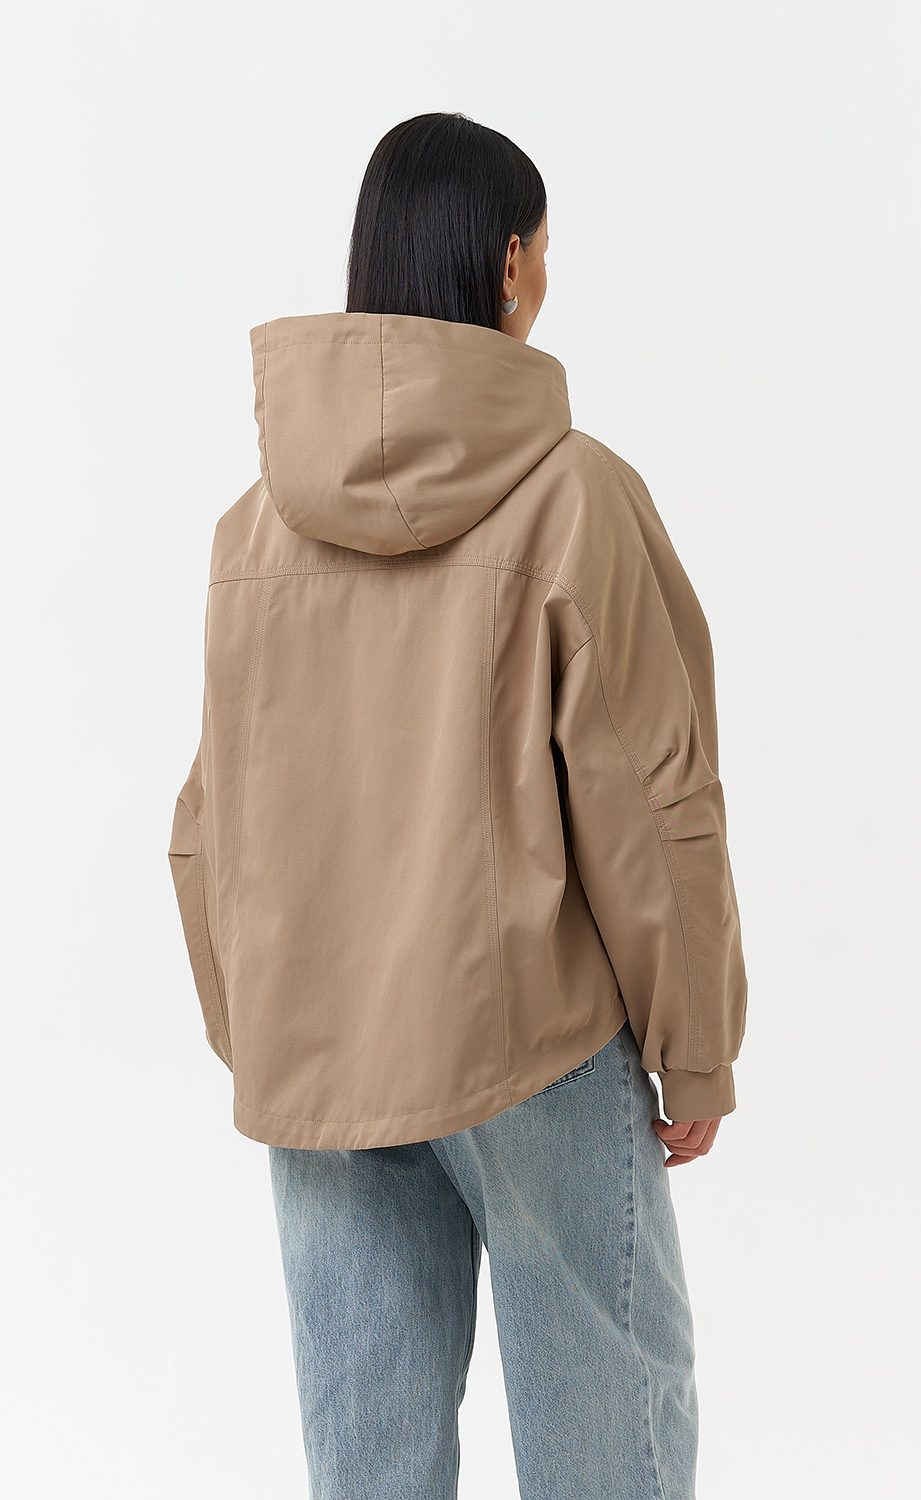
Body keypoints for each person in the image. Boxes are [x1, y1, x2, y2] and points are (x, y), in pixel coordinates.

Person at [168, 111, 747, 1500]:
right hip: (530, 1040)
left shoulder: (255, 526)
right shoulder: (574, 496)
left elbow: (209, 818)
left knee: (367, 1458)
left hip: (318, 1044)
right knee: (608, 1437)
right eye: (545, 248)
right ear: (509, 265)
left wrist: (255, 1028)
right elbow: (650, 799)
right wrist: (697, 1049)